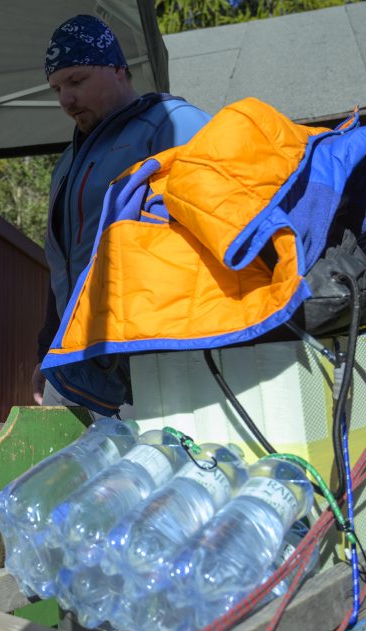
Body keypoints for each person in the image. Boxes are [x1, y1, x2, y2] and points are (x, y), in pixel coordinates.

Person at [30, 15, 211, 408]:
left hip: (165, 357)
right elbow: (62, 265)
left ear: (118, 69)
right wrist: (48, 349)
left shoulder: (174, 124)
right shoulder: (66, 162)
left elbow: (225, 224)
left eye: (76, 81)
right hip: (83, 359)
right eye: (57, 88)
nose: (65, 100)